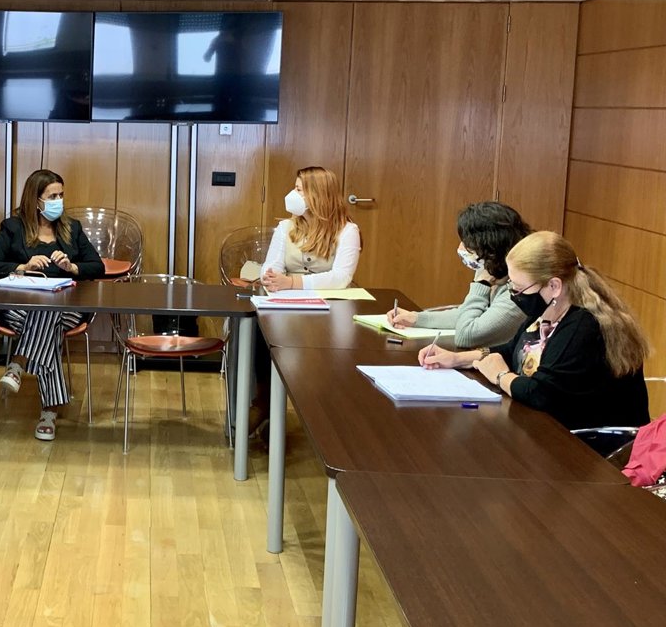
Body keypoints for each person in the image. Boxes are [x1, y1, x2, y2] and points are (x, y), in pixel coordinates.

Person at [419, 231, 650, 451]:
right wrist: (457, 359)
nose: (514, 294)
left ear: (554, 286)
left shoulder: (584, 326)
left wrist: (500, 375)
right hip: (553, 432)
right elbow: (514, 349)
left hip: (592, 448)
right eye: (511, 285)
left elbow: (540, 392)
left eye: (519, 288)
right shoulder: (549, 308)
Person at [0, 169, 104, 441]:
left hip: (68, 309)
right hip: (19, 310)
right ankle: (49, 413)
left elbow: (97, 266)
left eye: (61, 195)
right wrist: (22, 266)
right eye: (52, 197)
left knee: (49, 311)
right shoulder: (13, 228)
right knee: (47, 319)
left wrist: (72, 267)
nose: (58, 201)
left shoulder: (72, 228)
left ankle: (19, 362)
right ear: (35, 200)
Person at [251, 167, 362, 435]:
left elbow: (341, 278)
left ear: (317, 194)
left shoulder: (348, 231)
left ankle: (324, 414)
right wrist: (271, 278)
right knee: (258, 331)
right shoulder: (286, 227)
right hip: (286, 307)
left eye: (299, 189)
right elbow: (271, 267)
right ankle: (263, 404)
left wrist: (292, 283)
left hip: (330, 311)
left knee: (328, 351)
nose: (293, 194)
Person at [386, 201, 531, 348]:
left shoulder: (519, 290)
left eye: (467, 242)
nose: (461, 247)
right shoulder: (490, 270)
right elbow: (467, 313)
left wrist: (481, 284)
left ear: (490, 247)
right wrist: (416, 318)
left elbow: (466, 336)